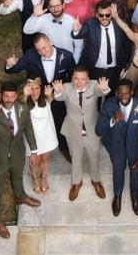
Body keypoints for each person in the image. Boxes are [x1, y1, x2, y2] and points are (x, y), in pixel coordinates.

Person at [0, 82, 41, 239]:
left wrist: (34, 151)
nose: (9, 99)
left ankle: (20, 196)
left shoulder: (22, 108)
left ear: (16, 96)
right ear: (1, 95)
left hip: (17, 152)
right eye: (6, 96)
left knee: (17, 176)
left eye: (12, 96)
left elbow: (28, 128)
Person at [96, 78, 138, 217]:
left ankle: (134, 195)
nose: (123, 97)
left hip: (135, 147)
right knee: (118, 171)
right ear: (116, 93)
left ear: (132, 92)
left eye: (126, 93)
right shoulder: (109, 106)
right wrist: (113, 120)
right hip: (116, 146)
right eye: (120, 93)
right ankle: (117, 196)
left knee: (135, 172)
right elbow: (98, 130)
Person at [54, 69, 112, 200]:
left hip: (92, 129)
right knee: (75, 157)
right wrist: (57, 91)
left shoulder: (93, 85)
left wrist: (103, 89)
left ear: (88, 79)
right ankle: (76, 182)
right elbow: (59, 97)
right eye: (75, 78)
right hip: (73, 129)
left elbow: (101, 91)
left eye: (82, 79)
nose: (78, 82)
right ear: (72, 78)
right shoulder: (66, 87)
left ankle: (96, 180)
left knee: (94, 156)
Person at [25, 78, 59, 193]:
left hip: (46, 135)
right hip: (32, 137)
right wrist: (25, 95)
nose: (35, 92)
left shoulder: (45, 100)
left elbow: (50, 98)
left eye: (37, 88)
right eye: (32, 89)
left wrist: (50, 94)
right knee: (35, 161)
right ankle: (35, 178)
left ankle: (44, 177)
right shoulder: (24, 103)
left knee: (45, 158)